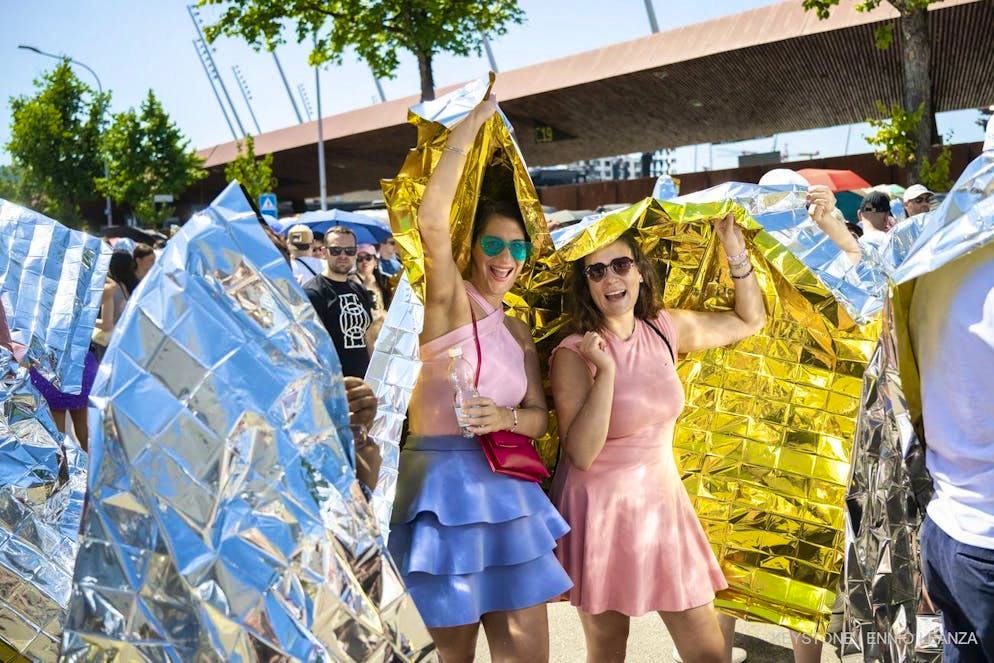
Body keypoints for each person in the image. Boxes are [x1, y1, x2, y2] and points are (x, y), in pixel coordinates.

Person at [388, 94, 571, 662]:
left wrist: (507, 418)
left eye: (517, 247)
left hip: (509, 497)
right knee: (456, 657)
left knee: (529, 657)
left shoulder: (517, 329)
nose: (506, 257)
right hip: (442, 498)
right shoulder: (445, 303)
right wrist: (468, 127)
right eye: (494, 243)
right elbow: (431, 220)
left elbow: (540, 418)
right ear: (472, 248)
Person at [550, 218, 765, 663]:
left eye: (621, 264)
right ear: (585, 285)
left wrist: (733, 246)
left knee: (708, 652)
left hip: (663, 505)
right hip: (601, 512)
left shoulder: (664, 328)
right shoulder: (573, 352)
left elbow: (750, 319)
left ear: (641, 271)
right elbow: (582, 453)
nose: (611, 278)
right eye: (597, 271)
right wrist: (605, 371)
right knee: (608, 652)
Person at [303, 227, 374, 378]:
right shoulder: (313, 293)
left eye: (349, 250)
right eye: (336, 250)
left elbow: (368, 336)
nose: (343, 255)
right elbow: (310, 348)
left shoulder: (359, 290)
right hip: (335, 386)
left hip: (364, 383)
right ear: (323, 252)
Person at [354, 243, 393, 315]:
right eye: (360, 259)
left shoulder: (383, 279)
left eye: (368, 258)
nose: (364, 261)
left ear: (376, 261)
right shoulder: (353, 280)